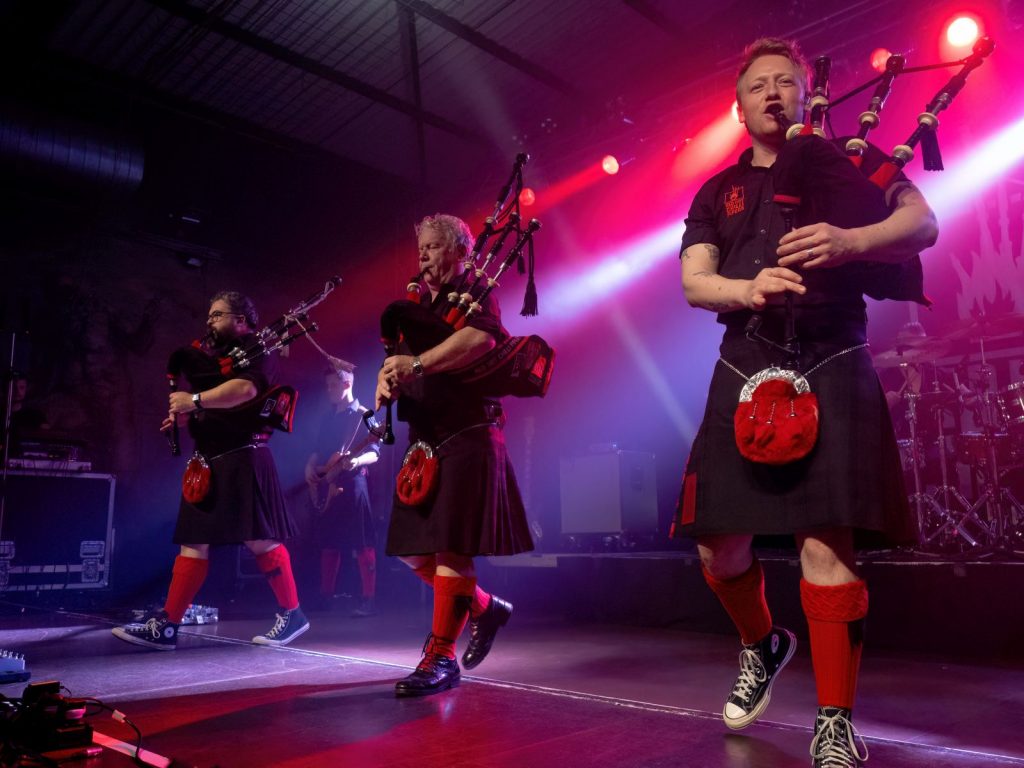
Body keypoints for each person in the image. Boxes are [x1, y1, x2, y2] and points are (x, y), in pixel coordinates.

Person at [673, 38, 938, 767]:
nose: (772, 93)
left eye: (785, 81)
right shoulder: (716, 192)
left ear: (805, 94)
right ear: (739, 107)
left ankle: (834, 720)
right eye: (757, 85)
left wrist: (852, 241)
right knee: (717, 545)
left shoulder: (849, 160)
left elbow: (923, 224)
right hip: (744, 361)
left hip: (832, 355)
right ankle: (761, 645)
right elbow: (695, 281)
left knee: (824, 541)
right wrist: (747, 288)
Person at [375, 213, 533, 696]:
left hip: (469, 432)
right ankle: (485, 606)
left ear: (461, 251)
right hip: (424, 437)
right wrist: (386, 376)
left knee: (450, 548)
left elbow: (482, 338)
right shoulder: (419, 305)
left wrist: (418, 363)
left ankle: (440, 657)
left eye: (432, 246)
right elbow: (398, 360)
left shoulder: (477, 292)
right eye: (420, 247)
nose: (422, 255)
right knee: (412, 550)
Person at [113, 291, 309, 650]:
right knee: (193, 541)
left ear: (240, 320)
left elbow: (245, 390)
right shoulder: (219, 361)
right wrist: (190, 416)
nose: (209, 321)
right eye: (209, 314)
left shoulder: (259, 350)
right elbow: (218, 404)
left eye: (217, 315)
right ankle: (168, 626)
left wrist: (195, 400)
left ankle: (292, 613)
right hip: (209, 462)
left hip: (243, 457)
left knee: (260, 540)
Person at [304, 361, 380, 616]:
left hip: (354, 483)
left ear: (347, 384)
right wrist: (310, 466)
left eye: (333, 385)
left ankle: (368, 599)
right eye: (327, 385)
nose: (329, 390)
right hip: (329, 483)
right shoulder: (328, 417)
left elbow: (375, 453)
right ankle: (325, 597)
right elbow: (317, 450)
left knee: (362, 541)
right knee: (329, 541)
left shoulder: (364, 415)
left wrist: (356, 461)